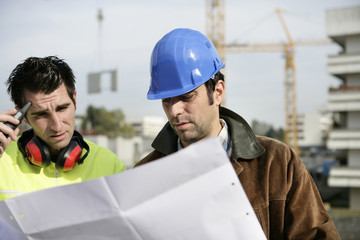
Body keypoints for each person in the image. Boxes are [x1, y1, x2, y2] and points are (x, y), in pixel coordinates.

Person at [135, 28, 341, 239]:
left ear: (218, 92)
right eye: (166, 100)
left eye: (186, 97)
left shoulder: (277, 164)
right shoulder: (144, 176)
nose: (174, 110)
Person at [0, 56, 126, 201]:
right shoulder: (2, 159)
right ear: (23, 116)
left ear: (75, 100)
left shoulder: (110, 165)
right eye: (41, 114)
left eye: (62, 108)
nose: (57, 126)